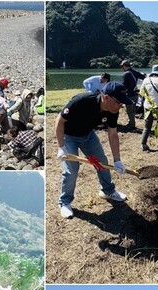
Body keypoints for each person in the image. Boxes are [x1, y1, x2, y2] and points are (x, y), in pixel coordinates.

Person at [55, 81, 130, 219]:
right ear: (106, 97)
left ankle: (108, 191)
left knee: (102, 162)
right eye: (119, 102)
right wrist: (61, 147)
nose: (121, 106)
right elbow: (60, 121)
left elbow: (113, 134)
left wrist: (117, 160)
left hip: (88, 135)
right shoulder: (81, 101)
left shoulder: (113, 110)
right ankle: (64, 202)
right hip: (69, 136)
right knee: (72, 170)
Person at [140, 64, 158, 152]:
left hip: (148, 105)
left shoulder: (145, 79)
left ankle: (143, 144)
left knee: (147, 126)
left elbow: (142, 92)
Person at [121, 60, 146, 131]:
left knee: (129, 111)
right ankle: (131, 122)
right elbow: (144, 77)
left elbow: (124, 87)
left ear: (125, 66)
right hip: (135, 94)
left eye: (122, 67)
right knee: (133, 109)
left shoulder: (125, 74)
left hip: (129, 95)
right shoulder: (135, 72)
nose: (122, 68)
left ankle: (132, 125)